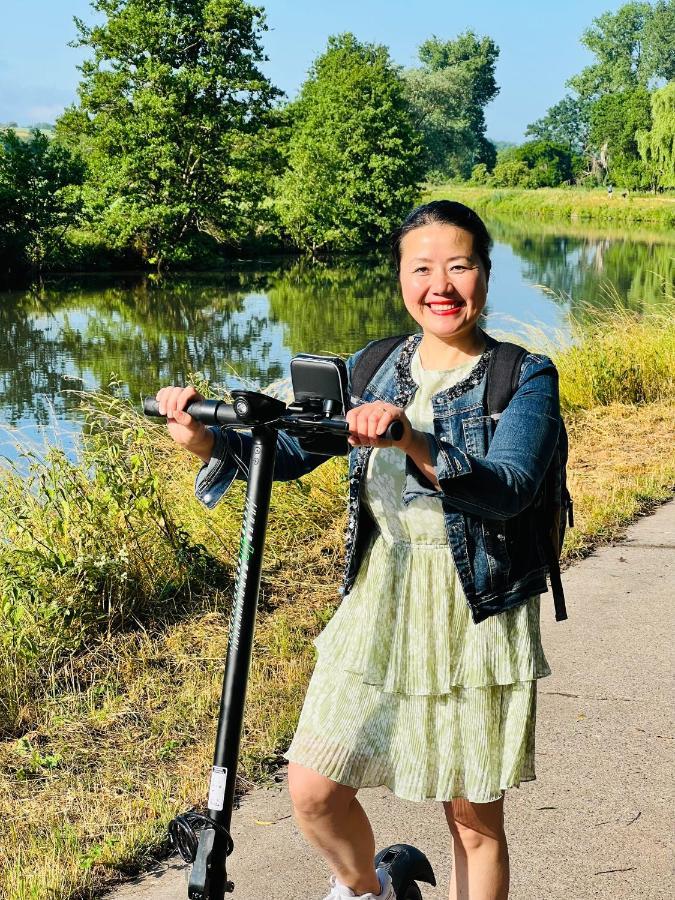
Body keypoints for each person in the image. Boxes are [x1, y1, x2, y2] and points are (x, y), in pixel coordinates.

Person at [155, 200, 559, 900]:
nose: (441, 284)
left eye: (459, 266)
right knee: (312, 789)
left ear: (485, 275)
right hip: (377, 603)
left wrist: (411, 439)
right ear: (400, 279)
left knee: (470, 820)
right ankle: (369, 890)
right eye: (421, 267)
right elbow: (285, 449)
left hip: (474, 614)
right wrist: (204, 437)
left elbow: (511, 488)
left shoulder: (521, 377)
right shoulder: (372, 366)